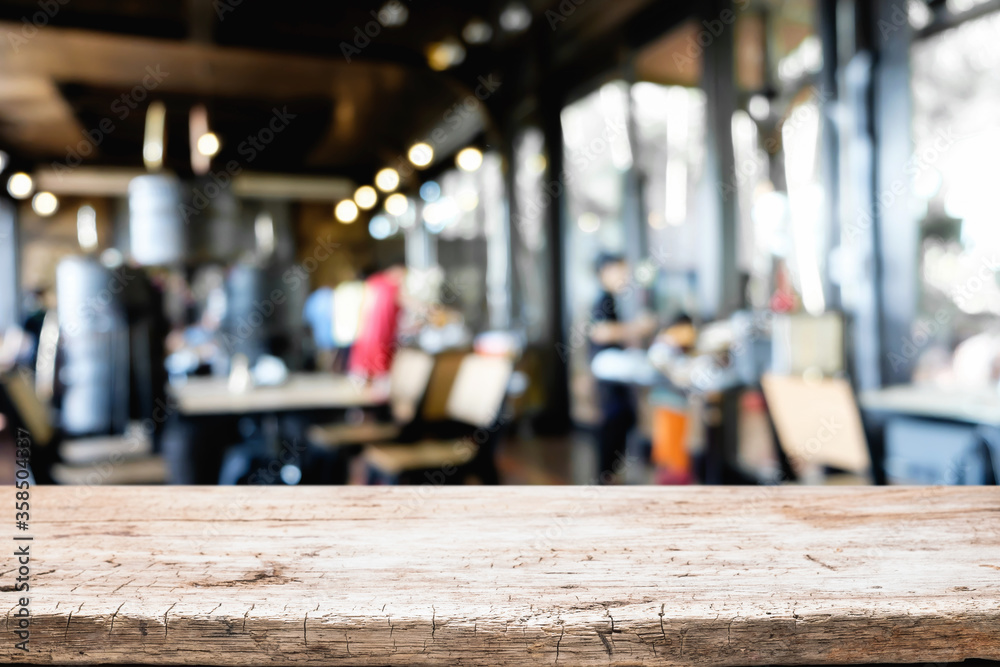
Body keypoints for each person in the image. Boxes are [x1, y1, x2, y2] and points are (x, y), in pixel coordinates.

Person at [587, 253, 657, 482]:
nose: (624, 277)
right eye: (620, 271)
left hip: (613, 377)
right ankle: (605, 477)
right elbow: (601, 331)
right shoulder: (602, 299)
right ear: (605, 271)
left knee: (626, 418)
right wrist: (637, 328)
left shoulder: (612, 299)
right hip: (608, 376)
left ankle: (611, 475)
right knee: (615, 421)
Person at [348, 259, 407, 380]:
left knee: (368, 368)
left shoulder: (374, 282)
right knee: (379, 369)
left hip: (369, 331)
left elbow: (363, 306)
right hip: (381, 331)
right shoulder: (391, 286)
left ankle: (369, 394)